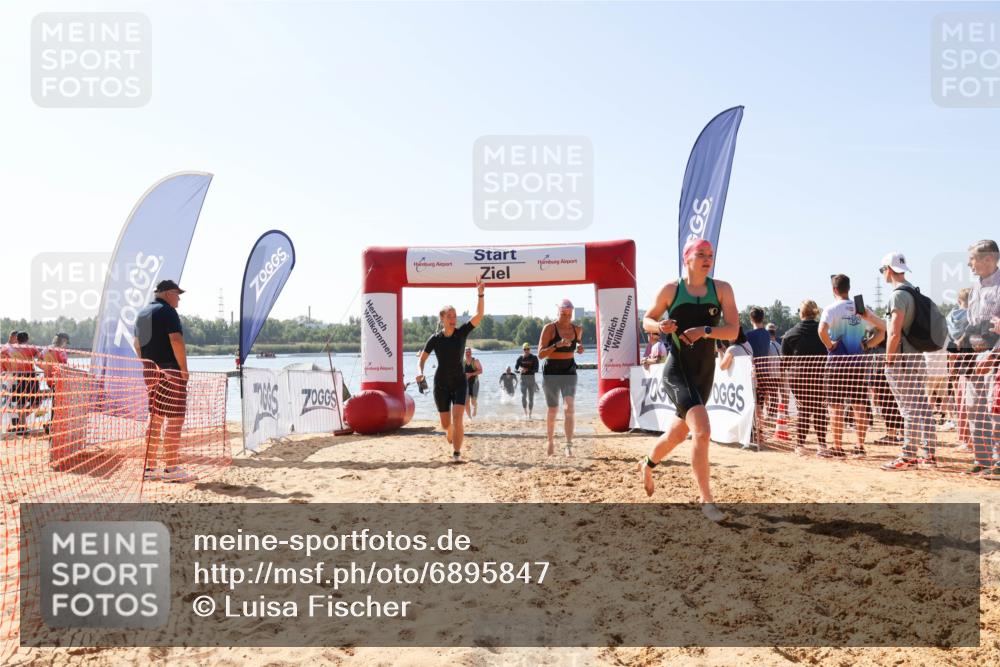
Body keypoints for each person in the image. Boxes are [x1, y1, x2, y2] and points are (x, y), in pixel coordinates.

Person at [638, 238, 740, 523]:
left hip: (704, 373)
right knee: (703, 431)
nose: (707, 259)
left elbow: (732, 331)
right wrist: (660, 326)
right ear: (687, 259)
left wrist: (704, 330)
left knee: (676, 435)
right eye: (701, 254)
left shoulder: (722, 289)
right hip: (677, 372)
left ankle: (647, 465)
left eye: (710, 255)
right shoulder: (671, 289)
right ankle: (707, 502)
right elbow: (647, 319)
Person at [861, 253, 938, 471]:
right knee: (922, 406)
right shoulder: (913, 291)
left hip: (901, 360)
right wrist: (870, 317)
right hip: (916, 357)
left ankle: (908, 455)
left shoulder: (897, 296)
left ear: (888, 269)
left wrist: (889, 360)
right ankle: (929, 454)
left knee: (908, 409)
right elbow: (894, 328)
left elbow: (894, 333)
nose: (883, 274)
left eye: (882, 270)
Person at [416, 278, 485, 463]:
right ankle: (449, 431)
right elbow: (422, 359)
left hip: (460, 382)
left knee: (458, 418)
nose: (453, 319)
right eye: (450, 316)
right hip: (441, 385)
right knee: (446, 424)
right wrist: (420, 372)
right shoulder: (435, 339)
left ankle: (457, 453)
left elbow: (479, 315)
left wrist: (480, 294)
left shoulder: (461, 333)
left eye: (455, 316)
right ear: (442, 319)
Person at [134, 279, 194, 483]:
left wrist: (147, 365)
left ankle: (150, 468)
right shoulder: (168, 311)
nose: (179, 299)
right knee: (175, 419)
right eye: (177, 294)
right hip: (170, 371)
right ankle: (171, 469)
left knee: (155, 417)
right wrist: (183, 370)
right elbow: (176, 340)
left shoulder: (142, 314)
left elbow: (137, 344)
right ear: (168, 293)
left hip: (151, 371)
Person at [956, 240, 1000, 476]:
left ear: (989, 259)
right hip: (974, 356)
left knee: (996, 410)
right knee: (974, 407)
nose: (969, 264)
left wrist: (993, 356)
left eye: (972, 259)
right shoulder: (974, 288)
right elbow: (972, 322)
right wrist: (962, 342)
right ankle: (982, 460)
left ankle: (999, 462)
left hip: (995, 357)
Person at [818, 274, 875, 458]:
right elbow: (881, 330)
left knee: (836, 407)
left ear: (834, 289)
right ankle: (860, 446)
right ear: (848, 288)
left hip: (837, 363)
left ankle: (838, 447)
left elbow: (821, 330)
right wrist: (868, 344)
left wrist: (829, 345)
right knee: (859, 405)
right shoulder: (861, 309)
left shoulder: (831, 309)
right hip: (858, 363)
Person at [781, 300, 829, 456]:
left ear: (800, 313)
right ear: (815, 312)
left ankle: (800, 445)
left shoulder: (790, 334)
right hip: (821, 376)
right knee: (820, 409)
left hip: (798, 377)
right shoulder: (823, 331)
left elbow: (785, 361)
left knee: (804, 409)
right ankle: (822, 445)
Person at [538, 299, 585, 456]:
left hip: (569, 369)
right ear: (558, 312)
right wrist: (556, 345)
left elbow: (579, 344)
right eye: (563, 314)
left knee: (569, 407)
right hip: (551, 370)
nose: (566, 317)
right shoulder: (549, 328)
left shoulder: (577, 329)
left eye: (569, 314)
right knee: (553, 409)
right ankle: (550, 441)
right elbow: (540, 354)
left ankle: (568, 445)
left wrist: (580, 348)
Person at [746, 307, 779, 433]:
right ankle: (760, 428)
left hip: (754, 372)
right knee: (760, 402)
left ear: (751, 319)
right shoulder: (766, 334)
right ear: (763, 318)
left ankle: (754, 428)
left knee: (753, 401)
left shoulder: (749, 335)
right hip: (765, 372)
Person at [6, 332, 41, 435]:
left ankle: (21, 424)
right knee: (37, 402)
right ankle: (22, 425)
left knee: (20, 403)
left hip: (17, 377)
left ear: (17, 339)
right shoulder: (31, 348)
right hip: (30, 377)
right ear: (27, 339)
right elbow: (40, 359)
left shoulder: (9, 349)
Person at [515, 343, 539, 420]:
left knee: (531, 398)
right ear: (523, 350)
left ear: (530, 349)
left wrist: (527, 370)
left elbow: (536, 369)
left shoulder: (534, 358)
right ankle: (525, 413)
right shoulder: (520, 358)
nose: (526, 351)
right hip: (523, 380)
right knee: (523, 396)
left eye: (528, 349)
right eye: (525, 349)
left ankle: (530, 414)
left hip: (531, 380)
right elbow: (515, 369)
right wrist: (519, 370)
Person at [463, 347, 483, 418]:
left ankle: (475, 407)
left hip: (474, 383)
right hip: (465, 384)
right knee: (466, 402)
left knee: (473, 402)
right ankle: (469, 418)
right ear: (464, 353)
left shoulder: (475, 361)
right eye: (466, 352)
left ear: (471, 353)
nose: (468, 353)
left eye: (469, 352)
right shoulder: (462, 362)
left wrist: (471, 374)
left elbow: (480, 371)